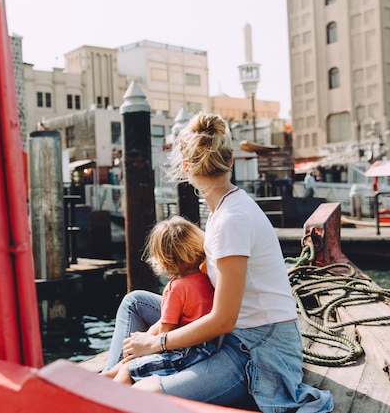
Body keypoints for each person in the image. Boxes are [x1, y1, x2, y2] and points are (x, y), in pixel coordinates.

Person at [103, 112, 333, 412]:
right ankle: (112, 380)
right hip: (233, 337)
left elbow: (223, 320)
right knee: (135, 302)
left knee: (144, 394)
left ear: (186, 168)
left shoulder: (229, 221)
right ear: (231, 161)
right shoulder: (227, 210)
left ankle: (109, 387)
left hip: (255, 349)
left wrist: (155, 343)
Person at [101, 215, 218, 386]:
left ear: (164, 259)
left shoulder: (175, 288)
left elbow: (166, 329)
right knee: (131, 360)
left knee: (130, 368)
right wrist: (146, 336)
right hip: (208, 348)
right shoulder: (208, 278)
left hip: (186, 352)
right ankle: (110, 373)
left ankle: (106, 396)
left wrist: (146, 343)